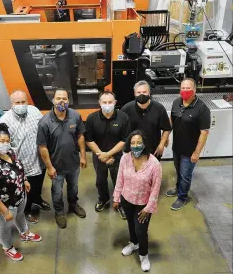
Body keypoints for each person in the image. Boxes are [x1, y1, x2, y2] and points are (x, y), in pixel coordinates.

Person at [0, 123, 42, 261]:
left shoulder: (9, 152)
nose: (6, 144)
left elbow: (18, 167)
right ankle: (7, 246)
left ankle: (24, 233)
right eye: (2, 141)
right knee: (4, 226)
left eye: (7, 141)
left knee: (20, 215)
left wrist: (24, 180)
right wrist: (5, 211)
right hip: (1, 203)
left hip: (18, 195)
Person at [0, 90, 51, 224]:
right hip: (22, 164)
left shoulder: (34, 111)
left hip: (39, 160)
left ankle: (37, 199)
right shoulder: (4, 121)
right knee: (24, 190)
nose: (21, 105)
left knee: (38, 183)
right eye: (17, 102)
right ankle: (27, 210)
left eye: (23, 102)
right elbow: (3, 148)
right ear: (12, 104)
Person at [37, 88, 87, 229]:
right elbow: (42, 147)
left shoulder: (75, 116)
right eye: (58, 98)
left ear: (68, 101)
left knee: (74, 187)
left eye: (64, 98)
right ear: (53, 100)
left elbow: (80, 136)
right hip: (56, 166)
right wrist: (49, 167)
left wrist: (83, 156)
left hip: (73, 163)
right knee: (57, 191)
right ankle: (59, 212)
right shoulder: (44, 122)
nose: (61, 101)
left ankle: (73, 205)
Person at [113, 130, 162, 272]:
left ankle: (144, 255)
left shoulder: (154, 164)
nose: (136, 146)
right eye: (133, 143)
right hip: (127, 199)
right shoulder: (125, 159)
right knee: (131, 225)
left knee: (141, 230)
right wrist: (116, 198)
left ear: (144, 144)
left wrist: (149, 208)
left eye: (139, 143)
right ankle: (133, 243)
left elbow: (155, 188)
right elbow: (120, 179)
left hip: (143, 204)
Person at [166, 78, 210, 210]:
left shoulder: (202, 108)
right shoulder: (176, 102)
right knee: (178, 170)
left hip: (190, 151)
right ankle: (178, 189)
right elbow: (171, 120)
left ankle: (182, 197)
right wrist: (166, 136)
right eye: (183, 88)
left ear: (194, 90)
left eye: (188, 88)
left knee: (185, 174)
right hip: (177, 147)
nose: (185, 91)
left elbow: (204, 132)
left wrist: (197, 152)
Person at [85, 91, 130, 219]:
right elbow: (89, 139)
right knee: (100, 181)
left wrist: (109, 154)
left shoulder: (123, 117)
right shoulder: (92, 118)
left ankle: (120, 203)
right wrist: (101, 155)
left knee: (119, 180)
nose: (107, 104)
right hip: (98, 156)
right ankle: (103, 199)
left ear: (115, 103)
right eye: (104, 102)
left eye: (110, 102)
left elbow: (125, 139)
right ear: (99, 103)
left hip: (117, 156)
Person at [121, 80, 171, 161]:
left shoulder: (159, 108)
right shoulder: (126, 109)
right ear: (134, 94)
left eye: (144, 92)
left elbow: (166, 129)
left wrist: (161, 145)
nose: (141, 94)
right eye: (139, 92)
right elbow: (120, 129)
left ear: (149, 93)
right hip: (132, 151)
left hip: (153, 151)